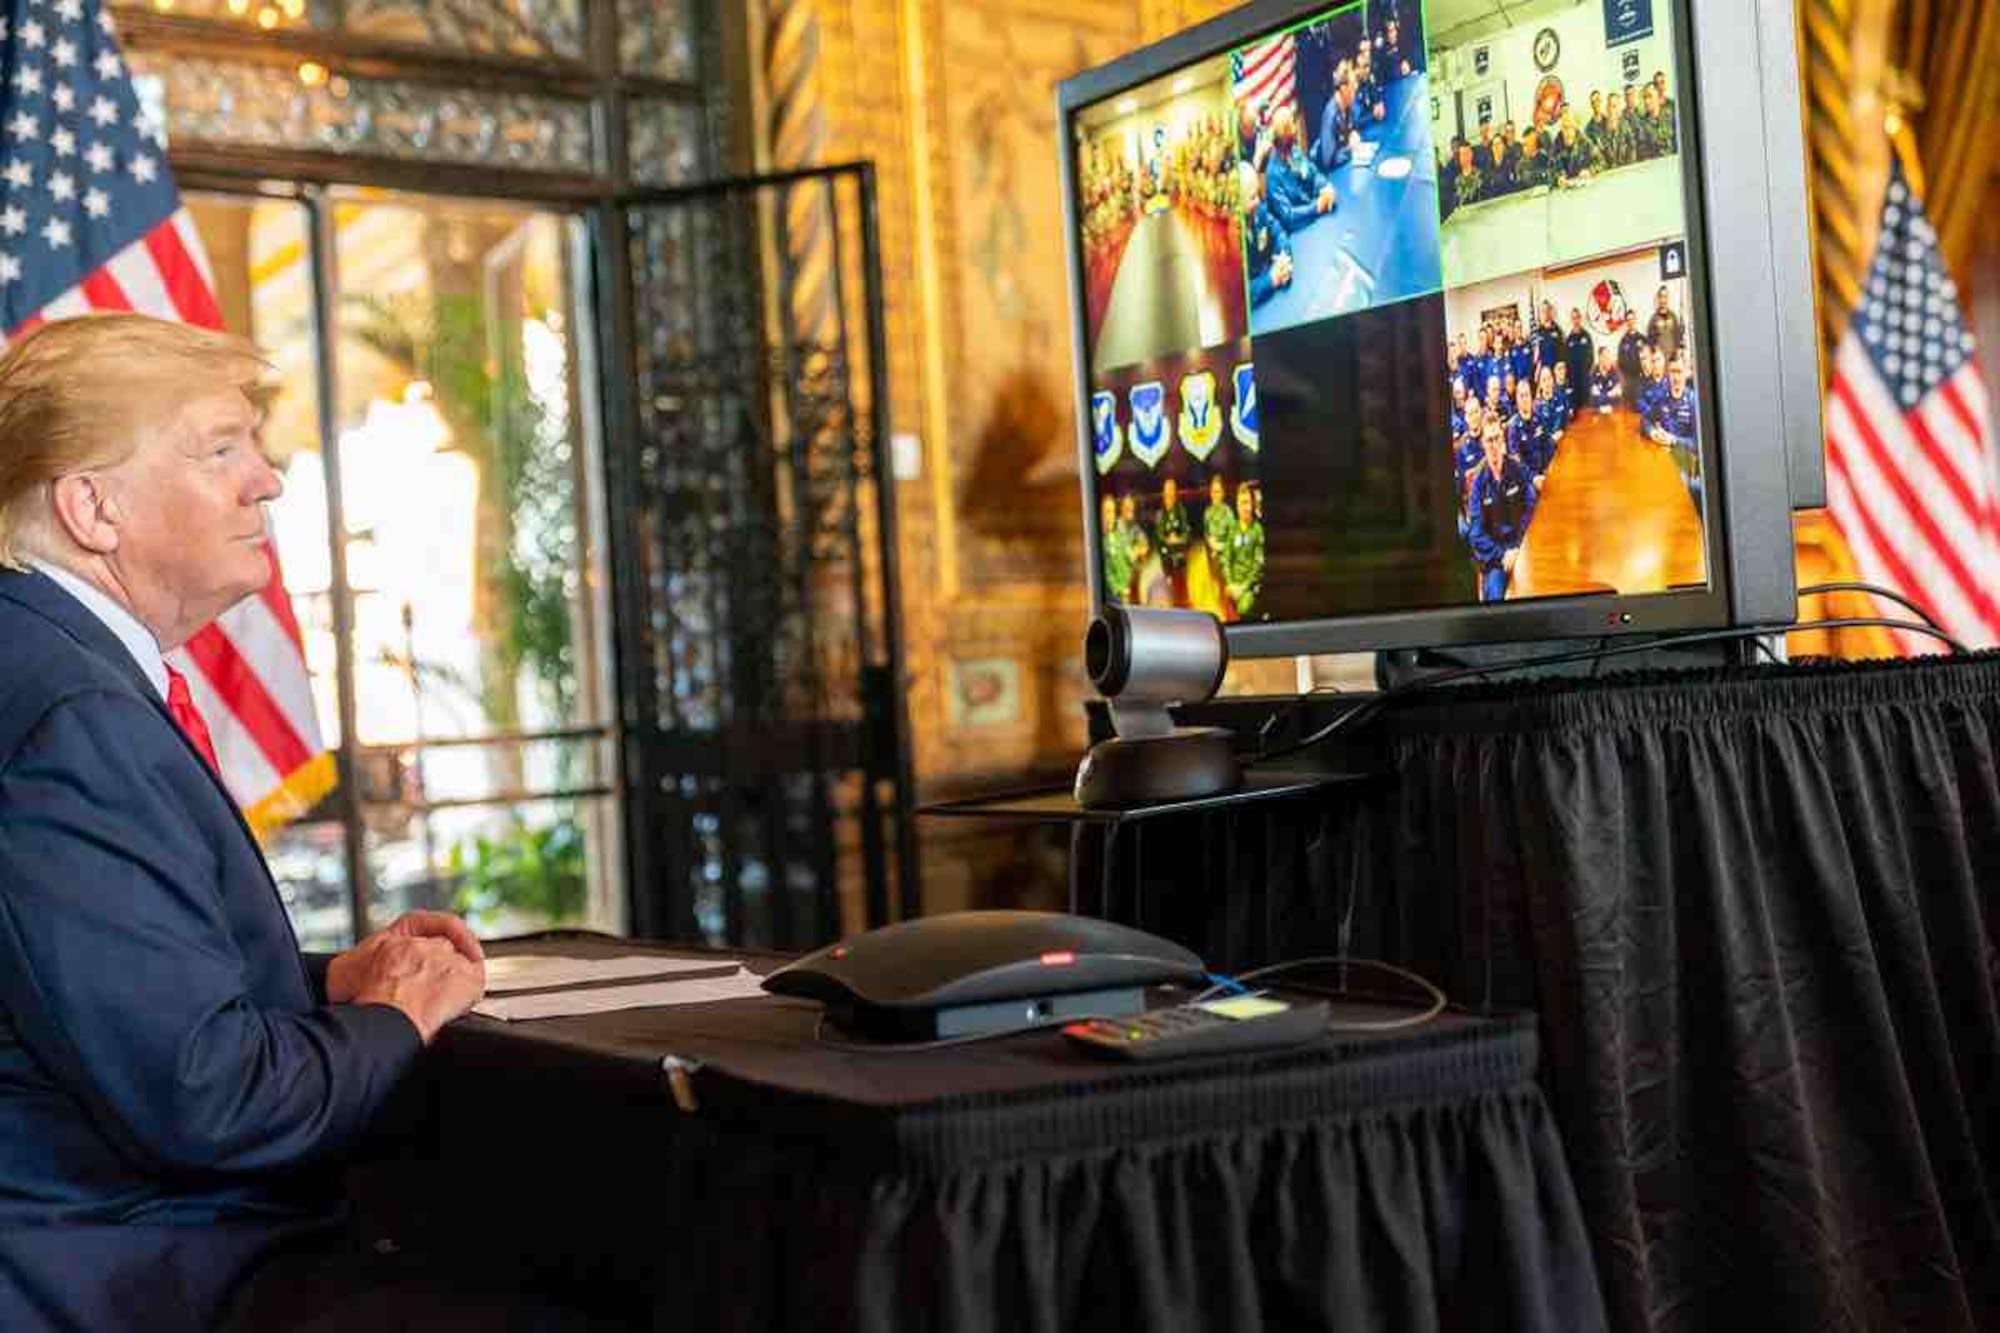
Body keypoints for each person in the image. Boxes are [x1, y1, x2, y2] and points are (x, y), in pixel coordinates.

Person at [0, 315, 625, 1331]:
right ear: (91, 507)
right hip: (136, 1272)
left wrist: (320, 983)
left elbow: (90, 989)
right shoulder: (72, 714)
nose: (268, 479)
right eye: (219, 449)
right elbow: (210, 1105)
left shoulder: (50, 661)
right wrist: (394, 1018)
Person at [1466, 419, 1537, 603]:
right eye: (1489, 440)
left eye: (1497, 438)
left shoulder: (1516, 468)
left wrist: (1519, 546)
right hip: (1496, 558)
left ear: (1503, 439)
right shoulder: (1478, 484)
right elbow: (1476, 534)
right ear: (1483, 444)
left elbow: (1531, 506)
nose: (1494, 445)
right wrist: (1503, 554)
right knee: (1496, 599)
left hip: (1521, 547)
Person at [1264, 108, 1338, 231]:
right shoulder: (1273, 175)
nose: (1295, 130)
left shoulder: (1294, 153)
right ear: (1283, 135)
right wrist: (1316, 207)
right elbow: (1288, 216)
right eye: (1291, 126)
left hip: (1313, 217)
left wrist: (1325, 187)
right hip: (1297, 230)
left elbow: (1312, 174)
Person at [1241, 164, 1294, 306]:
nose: (1259, 201)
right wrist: (1271, 279)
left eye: (1258, 193)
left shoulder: (1260, 211)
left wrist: (1283, 258)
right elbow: (1241, 294)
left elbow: (1279, 233)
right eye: (1252, 198)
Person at [1222, 483, 1264, 616]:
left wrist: (1242, 587)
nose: (1246, 507)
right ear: (1237, 505)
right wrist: (1230, 583)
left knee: (1243, 609)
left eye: (1249, 503)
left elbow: (1258, 565)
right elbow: (1226, 558)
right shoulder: (1233, 528)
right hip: (1234, 583)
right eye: (1242, 503)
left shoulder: (1257, 530)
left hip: (1249, 585)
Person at [1509, 379, 1551, 489]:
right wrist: (1533, 478)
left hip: (1545, 472)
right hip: (1527, 480)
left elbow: (1548, 446)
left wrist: (1548, 468)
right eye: (1521, 396)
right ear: (1517, 399)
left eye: (1526, 395)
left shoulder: (1539, 418)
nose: (1524, 399)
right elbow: (1517, 462)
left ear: (1531, 397)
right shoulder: (1513, 428)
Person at [1316, 76, 1361, 173]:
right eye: (1353, 89)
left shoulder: (1348, 106)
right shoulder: (1331, 116)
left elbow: (1354, 125)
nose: (1355, 94)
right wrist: (1350, 149)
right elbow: (1328, 161)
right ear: (1344, 89)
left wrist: (1354, 132)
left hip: (1346, 166)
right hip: (1332, 175)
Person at [1153, 477, 1192, 586]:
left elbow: (1187, 532)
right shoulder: (1160, 513)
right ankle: (1168, 575)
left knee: (1182, 579)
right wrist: (1167, 539)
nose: (1169, 496)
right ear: (1164, 494)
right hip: (1166, 552)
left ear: (1175, 494)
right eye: (1167, 492)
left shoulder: (1181, 510)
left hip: (1180, 550)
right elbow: (1159, 534)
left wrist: (1179, 539)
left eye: (1172, 492)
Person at [1101, 493, 1133, 601]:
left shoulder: (1118, 535)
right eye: (1107, 512)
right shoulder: (1101, 542)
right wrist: (1119, 590)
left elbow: (1128, 558)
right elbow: (1107, 573)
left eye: (1112, 512)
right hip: (1116, 595)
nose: (1110, 516)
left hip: (1128, 588)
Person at [1202, 473, 1237, 571]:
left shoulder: (1228, 512)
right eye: (1212, 491)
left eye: (1217, 492)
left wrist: (1221, 547)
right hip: (1212, 555)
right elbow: (1206, 533)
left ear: (1223, 493)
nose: (1214, 495)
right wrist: (1210, 542)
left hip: (1227, 556)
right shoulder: (1207, 512)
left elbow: (1234, 536)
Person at [1564, 309, 1595, 411]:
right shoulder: (1568, 340)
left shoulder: (1587, 336)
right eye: (1573, 318)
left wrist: (1587, 372)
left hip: (1585, 379)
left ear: (1580, 318)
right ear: (1571, 320)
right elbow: (1566, 361)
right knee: (1576, 408)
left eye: (1577, 317)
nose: (1575, 320)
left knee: (1586, 408)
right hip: (1573, 380)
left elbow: (1591, 357)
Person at [1647, 285, 1685, 361]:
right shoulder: (1653, 319)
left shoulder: (1673, 316)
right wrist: (1656, 352)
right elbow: (1650, 341)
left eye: (1665, 296)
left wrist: (1678, 351)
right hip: (1660, 362)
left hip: (1673, 360)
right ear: (1658, 299)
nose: (1663, 300)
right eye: (1661, 297)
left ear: (1668, 298)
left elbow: (1678, 336)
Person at [1590, 345, 1622, 414]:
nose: (1609, 360)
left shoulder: (1615, 371)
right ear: (1600, 358)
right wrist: (1609, 394)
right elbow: (1594, 400)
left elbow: (1618, 397)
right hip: (1598, 411)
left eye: (1609, 357)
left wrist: (1603, 396)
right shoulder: (1593, 373)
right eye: (1606, 357)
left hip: (1614, 410)